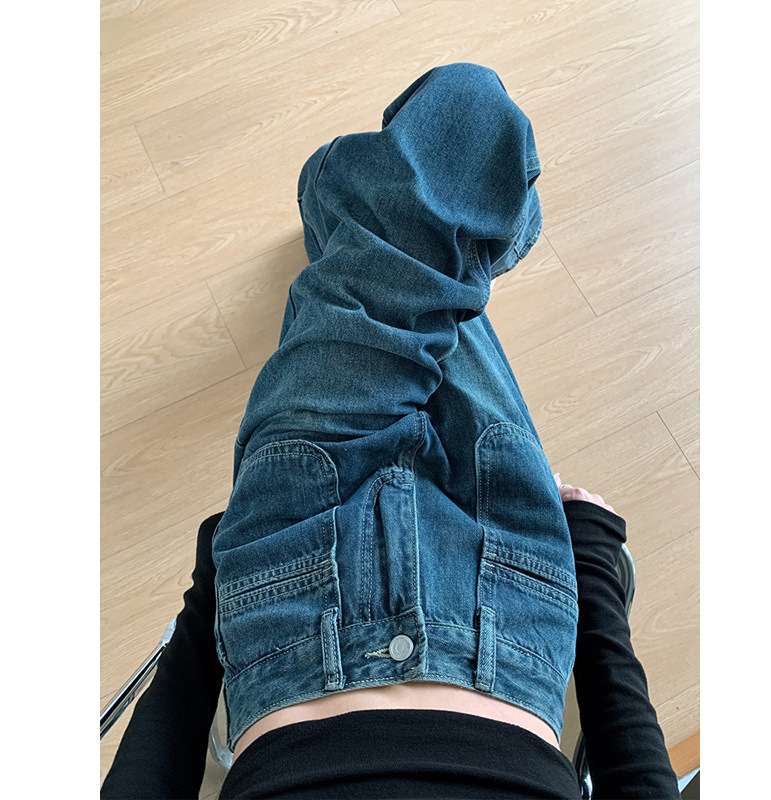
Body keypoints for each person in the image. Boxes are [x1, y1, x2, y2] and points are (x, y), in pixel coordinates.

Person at [101, 62, 680, 799]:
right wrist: (593, 571)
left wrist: (213, 584)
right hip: (509, 602)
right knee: (463, 121)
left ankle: (344, 214)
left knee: (459, 127)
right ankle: (339, 212)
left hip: (293, 583)